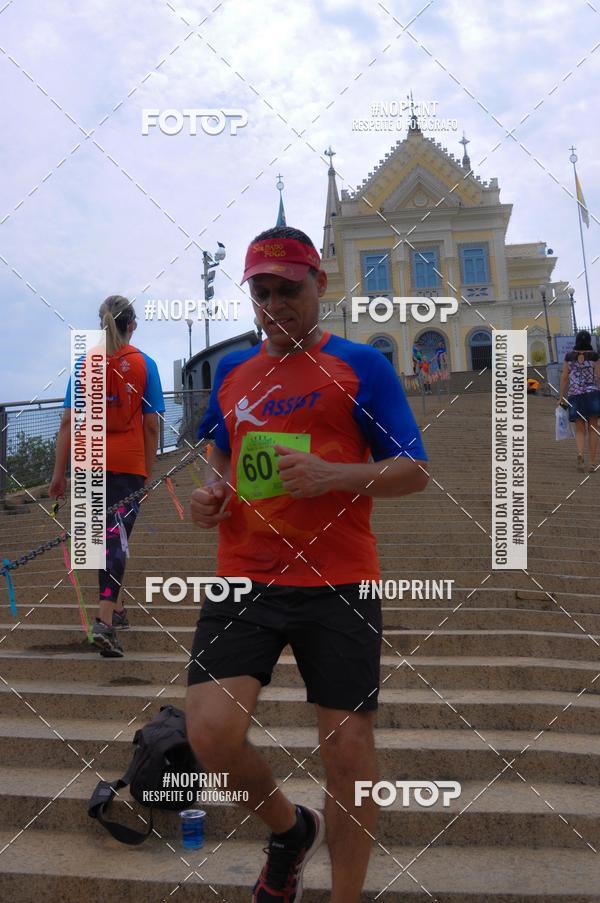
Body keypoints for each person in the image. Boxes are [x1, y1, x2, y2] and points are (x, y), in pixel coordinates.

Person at [186, 226, 428, 903]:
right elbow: (223, 452)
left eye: (287, 289)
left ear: (320, 285)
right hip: (246, 572)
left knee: (348, 752)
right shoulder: (234, 374)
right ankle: (291, 830)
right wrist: (213, 494)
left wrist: (332, 474)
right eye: (260, 292)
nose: (273, 304)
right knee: (208, 732)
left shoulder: (361, 366)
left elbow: (414, 470)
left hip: (338, 580)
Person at [49, 295, 165, 656]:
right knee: (114, 539)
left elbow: (67, 421)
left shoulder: (84, 364)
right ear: (132, 324)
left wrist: (59, 474)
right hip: (127, 466)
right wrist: (147, 472)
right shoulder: (145, 364)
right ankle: (104, 621)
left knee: (104, 541)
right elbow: (150, 426)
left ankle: (115, 608)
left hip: (87, 462)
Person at [558, 329, 600, 472]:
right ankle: (592, 463)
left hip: (575, 396)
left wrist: (561, 397)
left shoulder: (569, 357)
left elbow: (564, 378)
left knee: (580, 429)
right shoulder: (594, 356)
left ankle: (580, 455)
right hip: (592, 394)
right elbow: (599, 377)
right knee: (593, 428)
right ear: (589, 341)